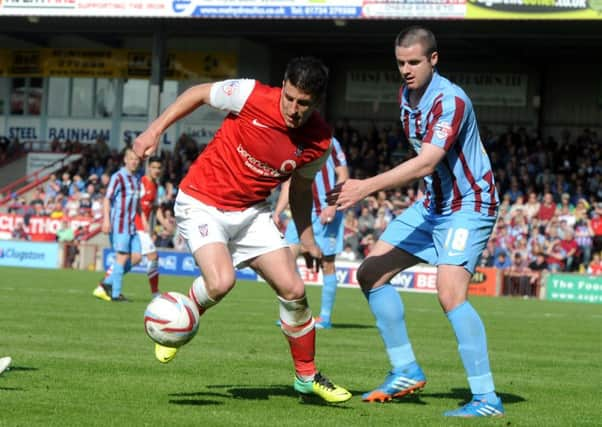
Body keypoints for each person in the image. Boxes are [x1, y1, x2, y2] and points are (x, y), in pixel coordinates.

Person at [133, 57, 351, 403]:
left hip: (252, 213)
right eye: (290, 98)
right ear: (283, 86)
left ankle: (307, 377)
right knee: (221, 282)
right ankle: (181, 319)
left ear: (317, 102)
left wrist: (307, 239)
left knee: (294, 288)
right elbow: (198, 93)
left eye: (304, 103)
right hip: (202, 201)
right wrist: (153, 131)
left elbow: (298, 189)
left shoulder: (319, 141)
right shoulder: (250, 94)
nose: (294, 109)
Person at [326, 26, 504, 417]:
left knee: (450, 293)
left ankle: (487, 398)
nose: (406, 70)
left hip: (468, 205)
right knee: (370, 273)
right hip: (433, 205)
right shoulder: (406, 96)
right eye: (400, 63)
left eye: (414, 62)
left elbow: (427, 161)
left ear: (433, 59)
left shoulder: (451, 100)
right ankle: (405, 370)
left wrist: (365, 187)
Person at [272, 137, 349, 329]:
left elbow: (343, 175)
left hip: (326, 212)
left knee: (327, 264)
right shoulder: (291, 144)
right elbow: (288, 184)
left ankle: (325, 318)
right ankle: (298, 314)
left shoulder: (330, 142)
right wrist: (277, 212)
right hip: (301, 212)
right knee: (286, 261)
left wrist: (332, 205)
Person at [97, 156, 173, 299]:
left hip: (139, 225)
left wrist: (164, 224)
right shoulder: (141, 181)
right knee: (151, 256)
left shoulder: (156, 186)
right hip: (134, 224)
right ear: (148, 168)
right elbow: (134, 203)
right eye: (154, 167)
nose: (157, 170)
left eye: (159, 168)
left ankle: (106, 283)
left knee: (136, 258)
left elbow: (155, 208)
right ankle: (155, 292)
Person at [92, 148, 142, 302]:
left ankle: (107, 283)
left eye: (136, 159)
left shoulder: (136, 179)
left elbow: (136, 204)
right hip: (119, 224)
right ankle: (115, 294)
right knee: (122, 257)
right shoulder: (118, 177)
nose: (134, 161)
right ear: (125, 160)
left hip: (131, 225)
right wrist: (106, 220)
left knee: (137, 257)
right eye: (131, 158)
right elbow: (107, 199)